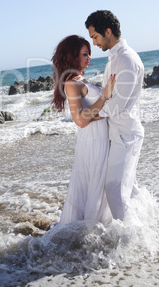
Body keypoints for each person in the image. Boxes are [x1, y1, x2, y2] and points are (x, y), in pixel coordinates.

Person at [85, 10, 144, 221]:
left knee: (115, 192)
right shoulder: (113, 60)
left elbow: (117, 105)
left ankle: (129, 242)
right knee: (130, 190)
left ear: (108, 32)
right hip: (117, 135)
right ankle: (145, 226)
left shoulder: (127, 60)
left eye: (95, 37)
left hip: (126, 135)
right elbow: (108, 97)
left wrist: (88, 116)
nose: (94, 43)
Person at [52, 35, 115, 225]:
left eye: (89, 54)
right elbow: (79, 120)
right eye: (85, 55)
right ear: (72, 56)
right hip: (93, 143)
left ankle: (98, 233)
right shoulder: (72, 83)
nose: (89, 59)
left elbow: (90, 114)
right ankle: (88, 237)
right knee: (95, 190)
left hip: (99, 139)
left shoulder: (80, 78)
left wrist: (106, 113)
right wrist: (104, 98)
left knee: (99, 190)